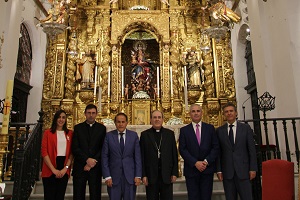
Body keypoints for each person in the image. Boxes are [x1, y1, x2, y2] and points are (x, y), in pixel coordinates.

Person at [216, 102, 257, 200]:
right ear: (223, 114)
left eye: (231, 111)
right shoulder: (219, 131)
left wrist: (253, 168)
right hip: (227, 172)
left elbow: (251, 149)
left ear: (236, 113)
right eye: (226, 112)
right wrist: (219, 170)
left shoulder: (245, 128)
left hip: (243, 171)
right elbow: (218, 153)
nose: (229, 113)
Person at [179, 104, 219, 200]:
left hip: (207, 169)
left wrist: (206, 161)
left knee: (206, 196)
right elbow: (182, 149)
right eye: (193, 111)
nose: (196, 113)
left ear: (202, 113)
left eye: (198, 111)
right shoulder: (184, 130)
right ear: (189, 114)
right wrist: (195, 162)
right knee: (193, 197)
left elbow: (215, 147)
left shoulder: (210, 128)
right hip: (191, 170)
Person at [101, 113, 142, 200]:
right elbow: (105, 157)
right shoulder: (109, 136)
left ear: (127, 123)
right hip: (113, 178)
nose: (121, 124)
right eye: (118, 122)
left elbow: (137, 157)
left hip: (130, 177)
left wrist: (138, 175)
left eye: (123, 122)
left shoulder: (133, 136)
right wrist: (107, 176)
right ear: (115, 123)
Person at [140, 110, 178, 200]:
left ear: (162, 119)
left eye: (159, 117)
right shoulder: (145, 135)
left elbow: (174, 155)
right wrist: (143, 175)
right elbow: (142, 156)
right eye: (155, 117)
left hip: (166, 175)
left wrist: (174, 173)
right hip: (151, 176)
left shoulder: (169, 134)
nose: (157, 120)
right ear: (150, 120)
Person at [72, 104, 107, 200]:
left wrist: (93, 161)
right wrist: (87, 160)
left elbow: (103, 148)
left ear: (96, 114)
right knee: (78, 195)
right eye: (89, 113)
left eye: (93, 113)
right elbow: (75, 147)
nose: (91, 115)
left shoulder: (102, 128)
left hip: (95, 167)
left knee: (95, 195)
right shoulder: (78, 128)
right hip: (80, 167)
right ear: (85, 114)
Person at [41, 110, 73, 200]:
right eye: (59, 117)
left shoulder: (70, 133)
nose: (61, 120)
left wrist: (65, 168)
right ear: (55, 119)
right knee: (49, 196)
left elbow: (71, 153)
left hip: (63, 166)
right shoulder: (48, 133)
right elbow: (44, 152)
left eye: (63, 117)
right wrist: (53, 170)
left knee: (60, 196)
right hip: (50, 166)